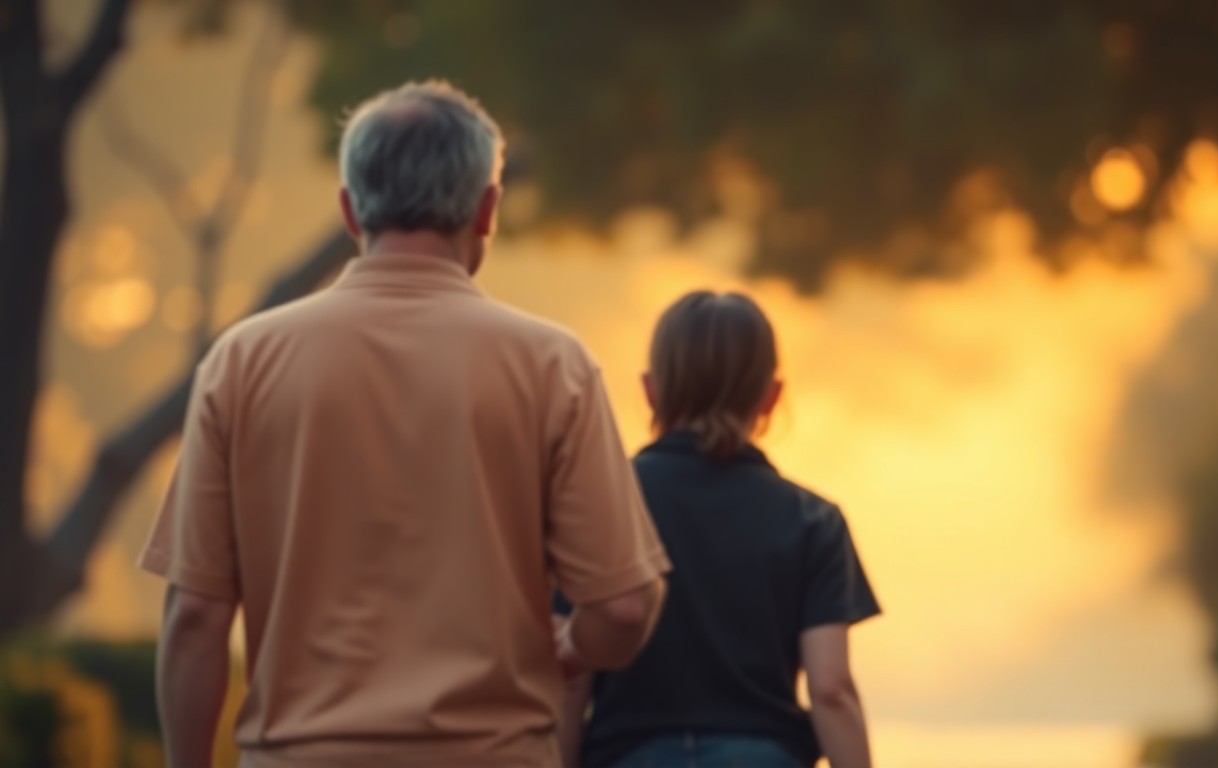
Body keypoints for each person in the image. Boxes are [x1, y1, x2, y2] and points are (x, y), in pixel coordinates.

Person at [139, 80, 670, 768]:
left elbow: (196, 617)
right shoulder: (551, 365)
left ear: (349, 210)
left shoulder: (243, 361)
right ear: (487, 209)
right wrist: (575, 647)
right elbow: (624, 609)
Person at [557, 291, 881, 768]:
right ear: (771, 396)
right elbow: (831, 689)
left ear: (650, 390)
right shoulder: (813, 520)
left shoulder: (598, 504)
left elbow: (569, 677)